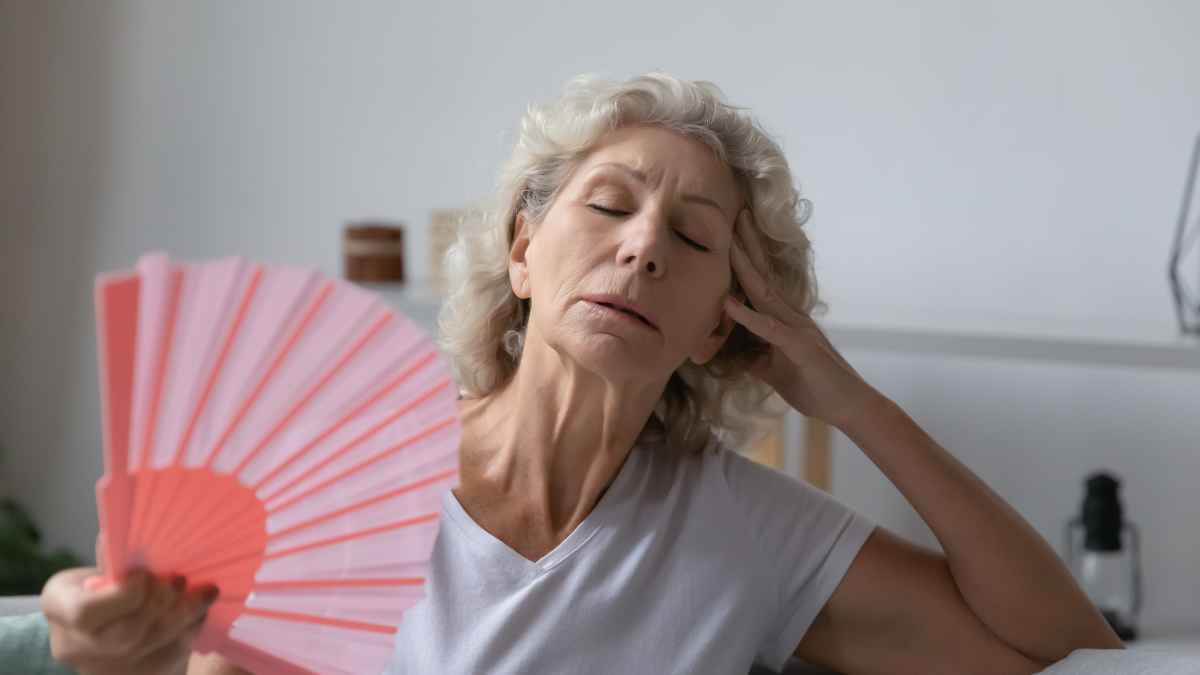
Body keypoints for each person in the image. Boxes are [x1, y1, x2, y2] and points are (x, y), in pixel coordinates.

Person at [37, 71, 1123, 674]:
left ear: (719, 325)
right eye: (608, 205)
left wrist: (849, 401)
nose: (644, 247)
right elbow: (178, 646)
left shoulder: (749, 532)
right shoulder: (341, 471)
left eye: (693, 238)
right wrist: (88, 629)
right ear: (523, 250)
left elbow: (1061, 645)